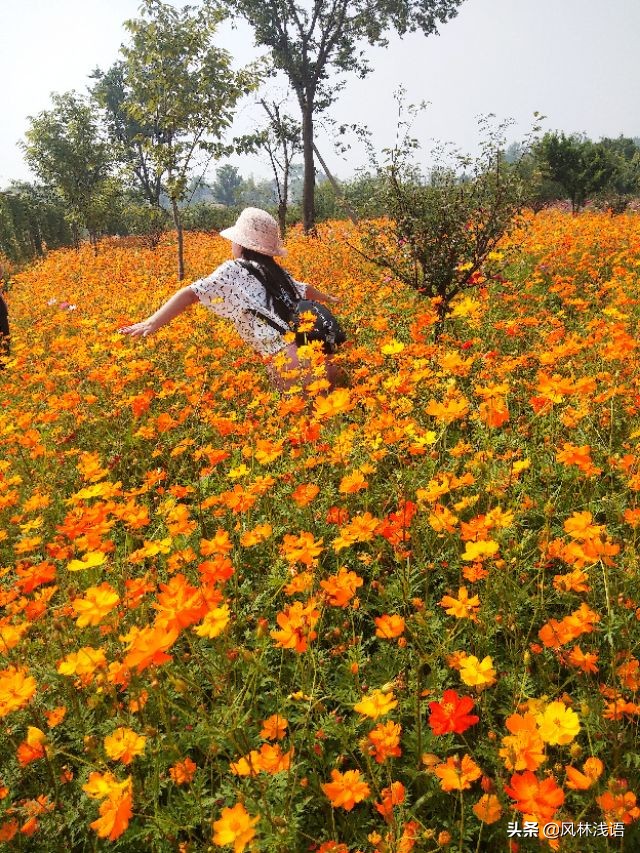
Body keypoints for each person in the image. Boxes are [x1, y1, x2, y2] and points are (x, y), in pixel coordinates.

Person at [119, 207, 345, 391]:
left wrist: (152, 322)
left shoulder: (234, 269)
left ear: (242, 244)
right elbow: (307, 290)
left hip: (291, 363)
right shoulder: (276, 272)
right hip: (321, 355)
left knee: (304, 433)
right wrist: (332, 299)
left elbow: (190, 293)